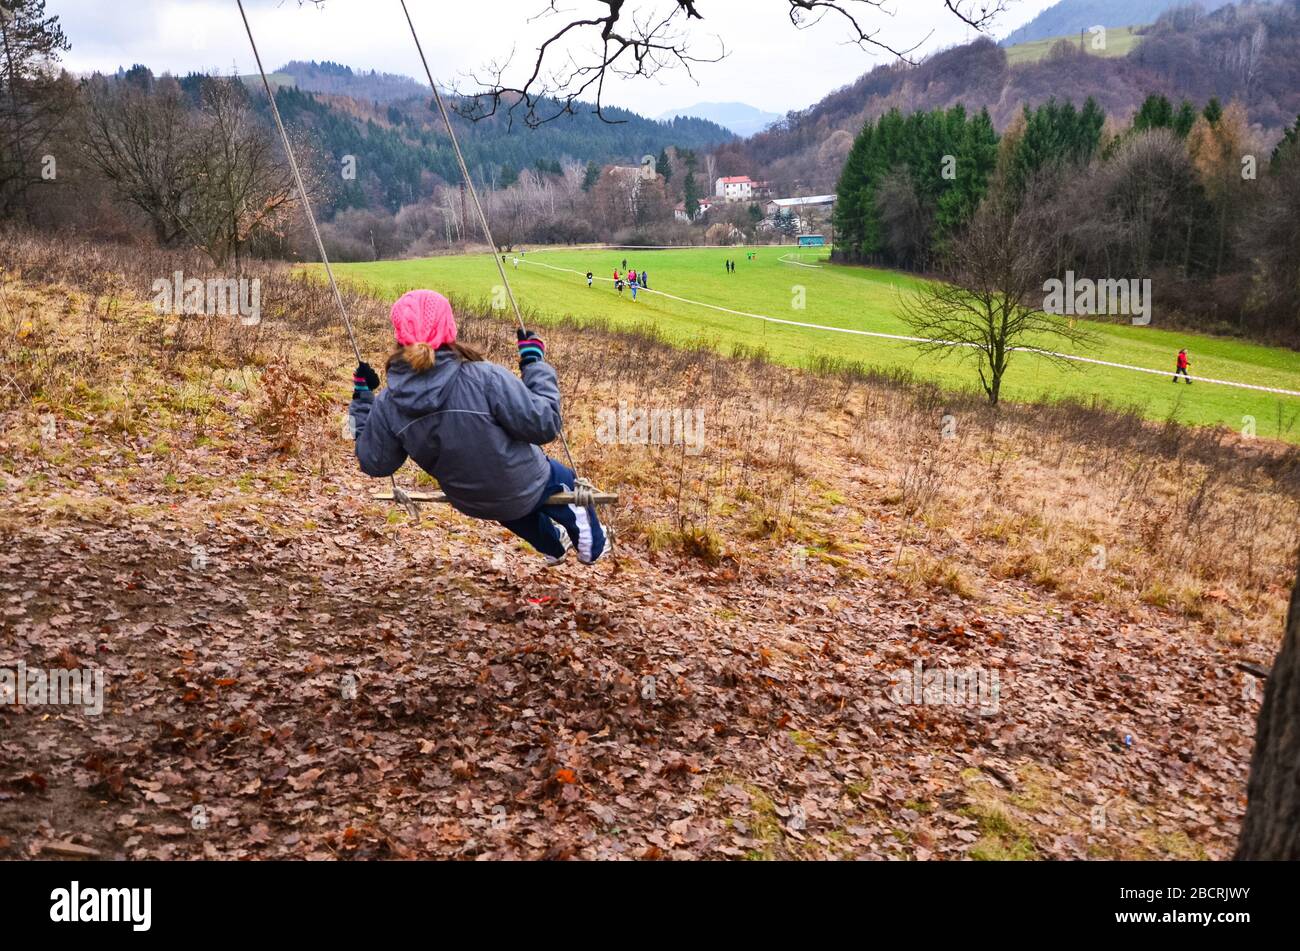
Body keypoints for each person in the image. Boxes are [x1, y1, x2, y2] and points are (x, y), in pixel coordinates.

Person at [349, 290, 606, 565]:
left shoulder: (389, 402)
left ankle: (553, 547)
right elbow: (544, 424)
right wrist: (534, 365)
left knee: (510, 506)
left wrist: (363, 399)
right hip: (523, 484)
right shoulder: (485, 377)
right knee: (561, 479)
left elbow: (374, 462)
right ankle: (592, 545)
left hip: (470, 500)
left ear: (399, 336)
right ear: (449, 328)